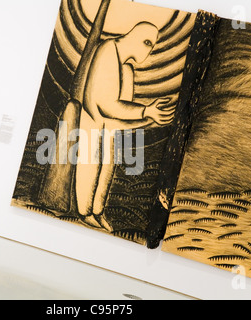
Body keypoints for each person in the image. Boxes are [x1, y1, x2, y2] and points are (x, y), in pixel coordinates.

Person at [75, 22, 175, 230]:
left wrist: (150, 117)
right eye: (149, 44)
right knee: (91, 167)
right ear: (140, 39)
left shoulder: (127, 70)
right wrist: (146, 111)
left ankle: (97, 212)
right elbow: (105, 104)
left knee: (107, 168)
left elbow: (122, 113)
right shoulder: (108, 49)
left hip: (110, 129)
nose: (149, 51)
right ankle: (84, 213)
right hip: (92, 124)